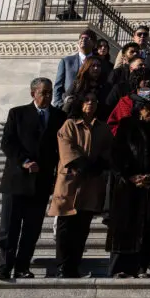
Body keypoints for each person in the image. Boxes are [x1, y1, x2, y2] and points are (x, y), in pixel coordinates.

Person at [0, 77, 66, 281]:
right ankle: (4, 267)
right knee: (9, 228)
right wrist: (24, 161)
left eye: (50, 92)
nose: (48, 96)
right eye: (44, 92)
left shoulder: (59, 116)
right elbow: (7, 143)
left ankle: (22, 266)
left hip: (41, 182)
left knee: (32, 229)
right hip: (16, 180)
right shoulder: (17, 113)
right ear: (33, 93)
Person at [49, 92, 112, 278]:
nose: (90, 104)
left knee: (82, 228)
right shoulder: (69, 124)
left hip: (90, 184)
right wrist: (83, 164)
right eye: (86, 100)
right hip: (70, 181)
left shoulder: (103, 128)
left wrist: (99, 164)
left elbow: (108, 150)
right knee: (65, 227)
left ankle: (74, 266)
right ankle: (62, 266)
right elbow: (66, 148)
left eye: (93, 101)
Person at [107, 88, 150, 278]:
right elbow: (117, 154)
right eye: (147, 108)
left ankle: (142, 267)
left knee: (147, 228)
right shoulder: (127, 125)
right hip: (127, 187)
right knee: (125, 228)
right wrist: (130, 176)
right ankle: (120, 268)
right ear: (139, 108)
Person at [54, 29, 97, 107]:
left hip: (90, 106)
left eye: (87, 38)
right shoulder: (66, 61)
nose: (83, 39)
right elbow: (58, 86)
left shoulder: (99, 63)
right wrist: (58, 104)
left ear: (94, 43)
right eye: (81, 38)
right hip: (69, 105)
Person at [62, 52, 111, 117]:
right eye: (93, 66)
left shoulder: (105, 85)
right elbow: (66, 97)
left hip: (98, 118)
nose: (96, 68)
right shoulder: (78, 83)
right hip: (76, 117)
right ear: (87, 67)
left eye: (98, 66)